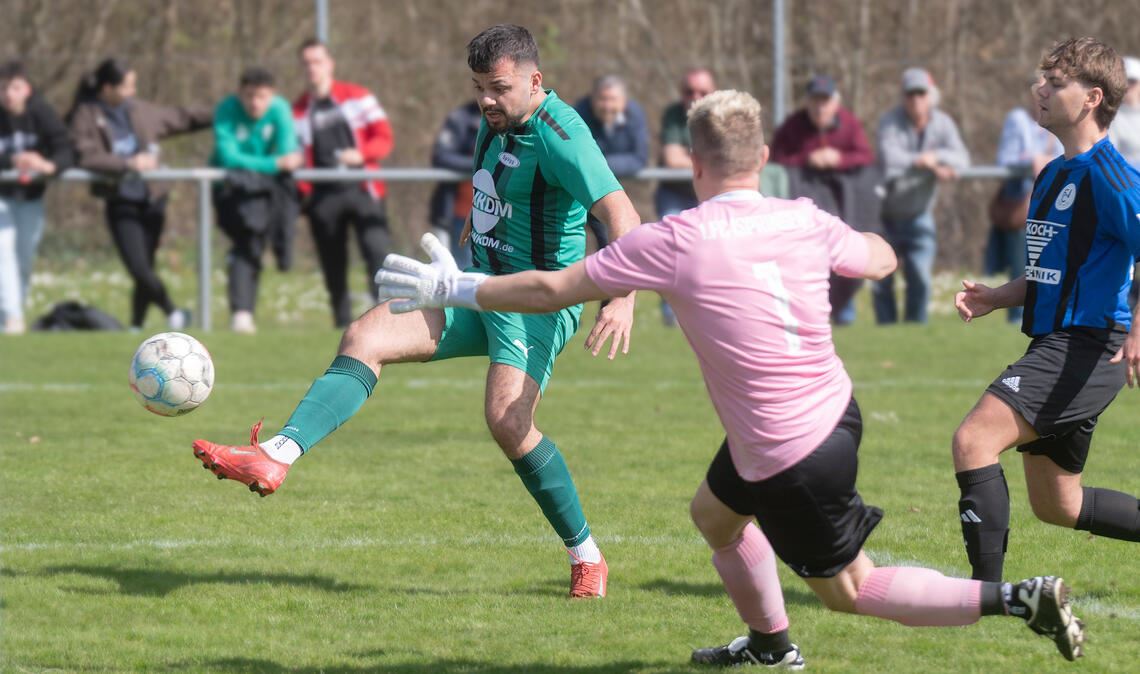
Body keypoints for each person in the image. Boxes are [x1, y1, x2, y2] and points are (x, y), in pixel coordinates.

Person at [375, 90, 1086, 667]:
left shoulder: (674, 241)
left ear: (693, 162)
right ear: (765, 158)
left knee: (852, 589)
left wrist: (457, 288)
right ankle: (772, 648)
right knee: (714, 516)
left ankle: (1017, 599)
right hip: (831, 414)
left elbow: (549, 290)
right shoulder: (802, 217)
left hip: (788, 450)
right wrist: (869, 244)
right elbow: (879, 259)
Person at [191, 24, 641, 599]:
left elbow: (622, 215)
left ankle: (588, 558)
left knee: (508, 422)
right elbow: (492, 188)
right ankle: (276, 456)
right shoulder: (498, 115)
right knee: (365, 335)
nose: (485, 99)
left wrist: (622, 295)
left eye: (498, 87)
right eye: (478, 85)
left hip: (534, 303)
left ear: (535, 80)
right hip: (474, 286)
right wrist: (472, 239)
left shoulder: (562, 136)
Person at [952, 38, 1140, 589]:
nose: (1041, 89)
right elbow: (1050, 276)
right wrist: (997, 297)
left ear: (1091, 99)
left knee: (972, 440)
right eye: (1044, 79)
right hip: (1054, 342)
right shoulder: (1053, 174)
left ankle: (984, 599)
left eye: (1056, 83)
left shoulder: (1113, 176)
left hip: (1087, 346)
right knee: (1058, 505)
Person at [68, 57, 211, 331]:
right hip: (120, 199)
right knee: (138, 266)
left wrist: (224, 112)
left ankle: (136, 325)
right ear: (107, 88)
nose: (133, 91)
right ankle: (173, 311)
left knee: (147, 264)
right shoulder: (86, 115)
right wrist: (128, 164)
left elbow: (183, 117)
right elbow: (85, 155)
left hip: (152, 198)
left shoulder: (138, 111)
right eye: (127, 86)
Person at [292, 38, 394, 328]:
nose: (313, 68)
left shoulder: (357, 97)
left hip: (363, 188)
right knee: (332, 266)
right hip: (322, 196)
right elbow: (291, 152)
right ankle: (342, 327)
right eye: (307, 63)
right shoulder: (297, 110)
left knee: (378, 254)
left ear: (330, 64)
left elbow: (384, 138)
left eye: (318, 61)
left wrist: (360, 154)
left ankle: (386, 322)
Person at [770, 74, 877, 325]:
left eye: (825, 100)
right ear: (807, 102)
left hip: (844, 205)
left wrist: (839, 159)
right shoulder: (792, 127)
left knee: (846, 255)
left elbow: (865, 157)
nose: (821, 107)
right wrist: (808, 159)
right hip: (804, 205)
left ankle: (845, 315)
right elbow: (777, 160)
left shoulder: (849, 124)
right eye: (815, 100)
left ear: (835, 103)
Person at [210, 67, 303, 333]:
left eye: (261, 96)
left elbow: (288, 153)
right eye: (249, 95)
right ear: (239, 93)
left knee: (266, 239)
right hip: (231, 188)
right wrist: (273, 163)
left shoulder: (280, 110)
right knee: (246, 241)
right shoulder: (226, 110)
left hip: (265, 187)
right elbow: (229, 158)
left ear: (272, 95)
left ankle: (246, 309)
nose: (255, 103)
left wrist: (272, 165)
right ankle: (241, 312)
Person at [874, 67, 970, 324]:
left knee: (920, 275)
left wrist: (936, 158)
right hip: (885, 214)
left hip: (919, 213)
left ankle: (916, 329)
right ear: (902, 97)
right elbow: (889, 157)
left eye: (921, 93)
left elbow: (961, 158)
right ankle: (887, 331)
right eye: (910, 94)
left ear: (931, 96)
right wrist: (923, 162)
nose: (916, 99)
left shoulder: (943, 123)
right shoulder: (890, 121)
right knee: (881, 277)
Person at [0, 60, 73, 335]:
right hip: (1, 197)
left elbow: (65, 148)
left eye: (15, 87)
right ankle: (12, 318)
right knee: (2, 250)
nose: (9, 93)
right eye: (3, 88)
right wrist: (12, 160)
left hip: (30, 198)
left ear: (26, 89)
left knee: (23, 258)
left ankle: (10, 316)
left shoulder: (41, 112)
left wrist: (48, 165)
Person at [984, 78, 1062, 324]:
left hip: (1056, 205)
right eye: (1039, 90)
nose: (1043, 95)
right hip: (1022, 205)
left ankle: (1045, 312)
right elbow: (1005, 159)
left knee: (1051, 264)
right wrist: (1031, 160)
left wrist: (1046, 162)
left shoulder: (1062, 121)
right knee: (1022, 264)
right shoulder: (1018, 119)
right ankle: (1017, 316)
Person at [655, 67, 715, 326]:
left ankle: (707, 308)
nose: (695, 96)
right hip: (675, 194)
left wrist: (689, 159)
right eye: (689, 91)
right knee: (672, 250)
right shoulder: (674, 115)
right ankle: (672, 312)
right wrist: (708, 161)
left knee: (713, 253)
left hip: (711, 195)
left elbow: (728, 160)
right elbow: (671, 158)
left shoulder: (723, 115)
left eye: (703, 92)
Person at [428, 99, 482, 270]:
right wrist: (484, 161)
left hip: (507, 217)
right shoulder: (462, 117)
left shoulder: (525, 117)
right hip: (462, 216)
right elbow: (441, 156)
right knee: (462, 275)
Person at [1108, 56, 1140, 166]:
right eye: (1124, 81)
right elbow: (1111, 155)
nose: (1128, 86)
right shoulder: (1111, 116)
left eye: (1132, 81)